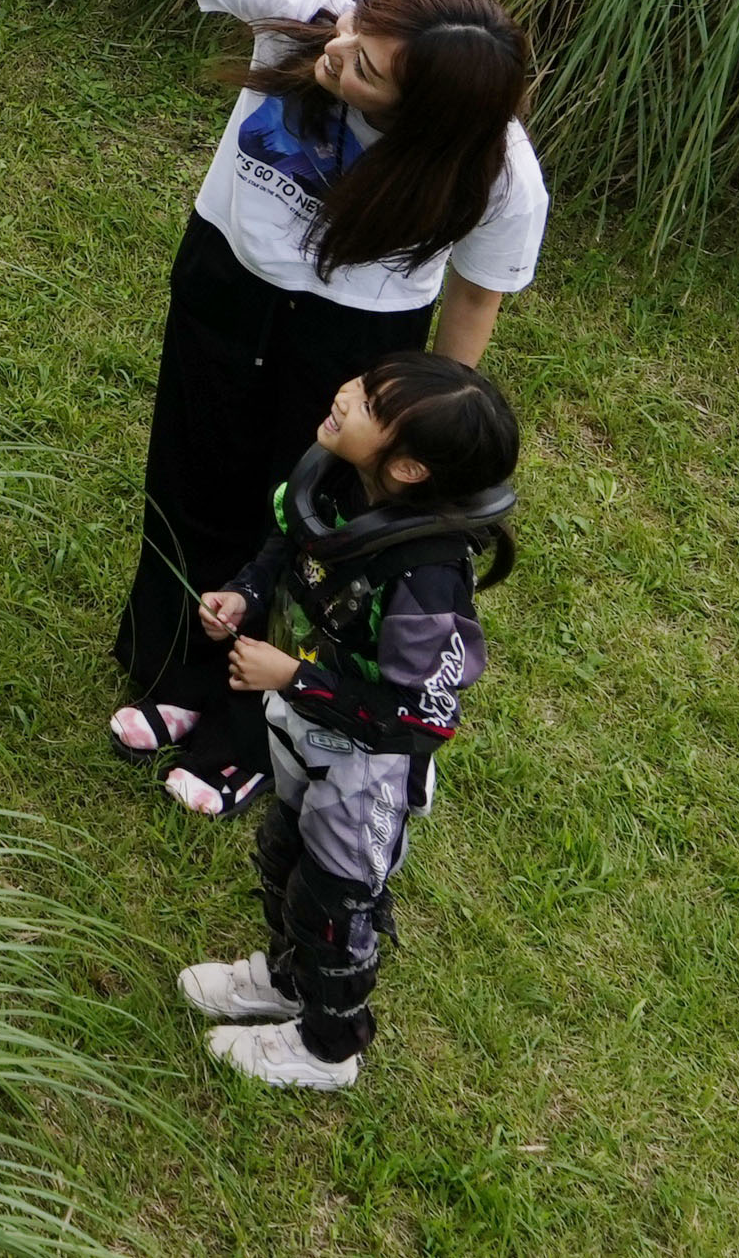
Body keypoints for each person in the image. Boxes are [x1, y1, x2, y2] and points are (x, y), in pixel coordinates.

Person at [0, 0, 543, 812]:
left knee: (305, 525)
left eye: (365, 69)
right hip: (225, 278)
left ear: (426, 119)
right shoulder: (321, 7)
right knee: (189, 475)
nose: (338, 49)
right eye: (358, 33)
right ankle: (172, 667)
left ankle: (248, 728)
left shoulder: (496, 180)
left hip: (352, 342)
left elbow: (476, 298)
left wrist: (431, 424)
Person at [179, 350, 519, 1090]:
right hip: (305, 730)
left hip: (369, 767)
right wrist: (244, 591)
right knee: (281, 858)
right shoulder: (334, 481)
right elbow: (290, 546)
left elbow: (413, 716)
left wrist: (294, 675)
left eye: (367, 402)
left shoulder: (426, 576)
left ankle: (329, 1047)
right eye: (362, 385)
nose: (344, 393)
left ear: (409, 470)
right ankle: (288, 981)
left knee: (335, 901)